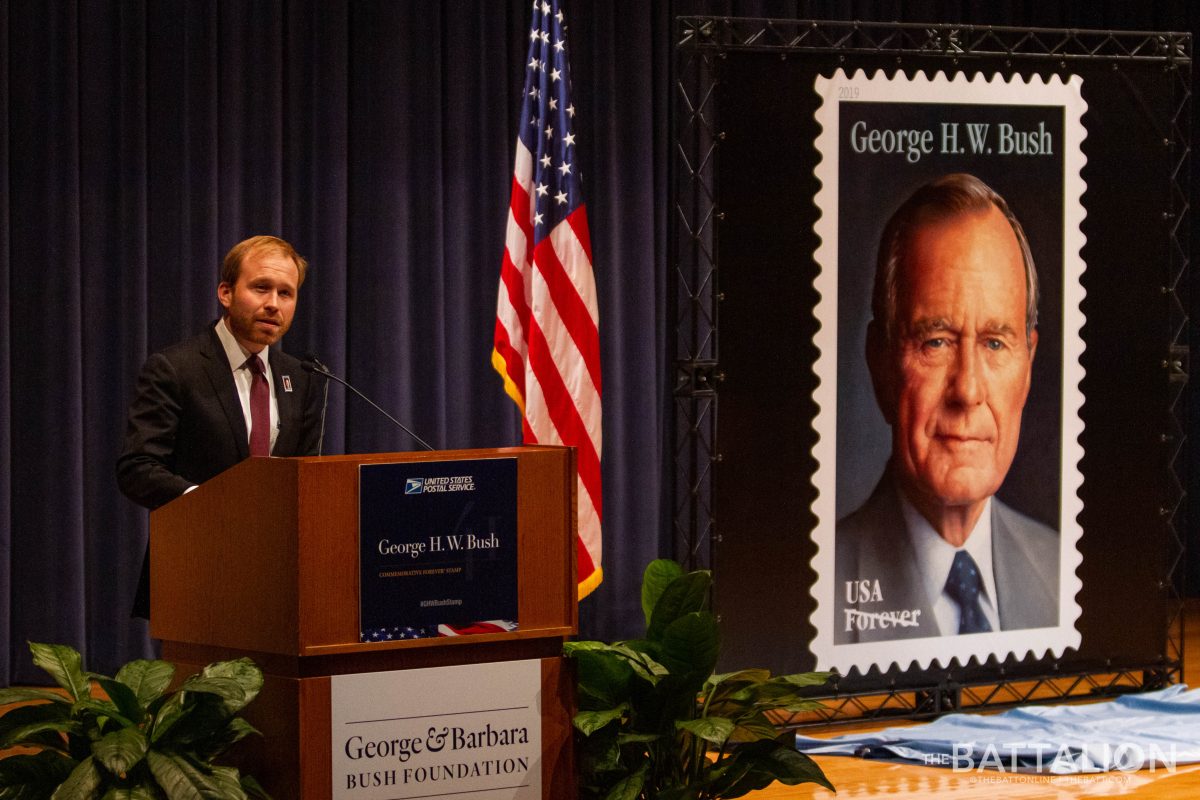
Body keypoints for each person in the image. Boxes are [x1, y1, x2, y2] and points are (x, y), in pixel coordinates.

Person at [835, 174, 1058, 644]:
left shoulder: (1063, 571)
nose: (968, 390)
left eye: (996, 343)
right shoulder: (818, 591)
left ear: (1028, 367)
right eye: (936, 341)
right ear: (881, 362)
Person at [117, 235, 323, 618]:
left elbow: (304, 475)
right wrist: (211, 504)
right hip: (197, 571)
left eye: (286, 293)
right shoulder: (176, 369)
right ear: (226, 293)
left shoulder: (304, 376)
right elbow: (137, 469)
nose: (273, 304)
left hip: (278, 577)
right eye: (261, 287)